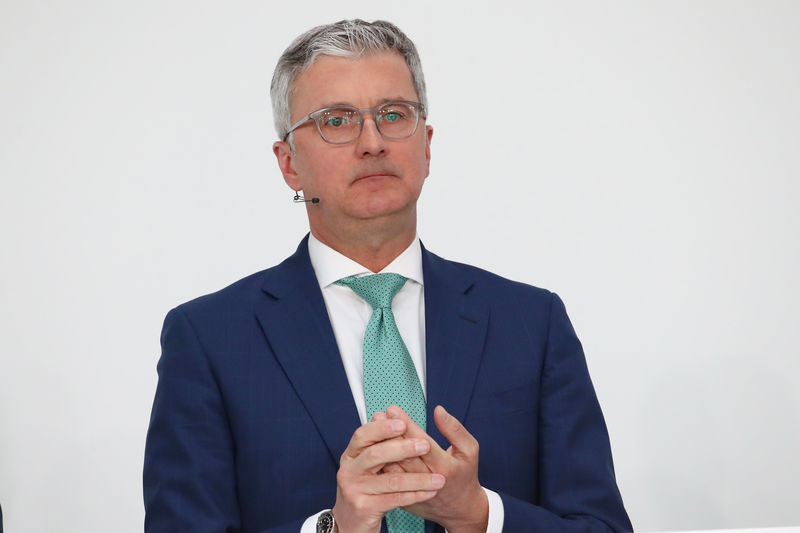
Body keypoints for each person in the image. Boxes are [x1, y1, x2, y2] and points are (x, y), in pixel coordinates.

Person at [143, 19, 633, 533]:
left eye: (393, 115)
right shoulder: (210, 338)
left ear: (426, 144)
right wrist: (336, 527)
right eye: (336, 121)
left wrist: (480, 516)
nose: (372, 142)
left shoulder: (531, 323)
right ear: (288, 163)